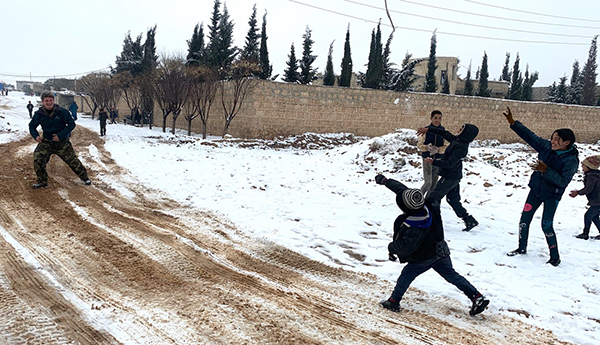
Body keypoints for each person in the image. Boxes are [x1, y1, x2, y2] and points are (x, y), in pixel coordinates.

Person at [374, 174, 490, 316]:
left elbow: (406, 246)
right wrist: (386, 181)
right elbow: (403, 191)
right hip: (441, 250)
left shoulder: (415, 226)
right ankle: (477, 297)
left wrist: (391, 247)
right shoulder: (428, 203)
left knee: (407, 274)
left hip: (424, 257)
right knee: (452, 275)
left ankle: (393, 301)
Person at [503, 107, 579, 267]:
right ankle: (521, 248)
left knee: (546, 225)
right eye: (552, 138)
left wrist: (546, 170)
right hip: (536, 190)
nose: (553, 141)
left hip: (552, 195)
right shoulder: (547, 147)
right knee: (524, 220)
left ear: (567, 143)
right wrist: (513, 123)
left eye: (557, 139)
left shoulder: (571, 161)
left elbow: (563, 181)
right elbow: (530, 137)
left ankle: (554, 257)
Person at [416, 123, 479, 231]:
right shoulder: (457, 140)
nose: (459, 130)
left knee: (433, 198)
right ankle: (469, 220)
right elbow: (444, 133)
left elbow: (450, 163)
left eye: (462, 129)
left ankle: (432, 223)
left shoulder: (461, 147)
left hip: (450, 177)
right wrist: (428, 129)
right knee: (453, 200)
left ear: (466, 133)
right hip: (454, 176)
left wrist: (434, 162)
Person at [28, 91, 91, 189]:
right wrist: (36, 136)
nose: (49, 103)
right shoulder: (39, 114)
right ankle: (42, 181)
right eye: (46, 101)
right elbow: (32, 126)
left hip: (61, 142)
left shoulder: (62, 112)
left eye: (51, 100)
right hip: (46, 142)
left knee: (73, 161)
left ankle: (85, 177)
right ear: (43, 102)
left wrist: (60, 135)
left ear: (54, 101)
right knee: (38, 160)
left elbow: (71, 124)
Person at [569, 155, 600, 240]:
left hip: (597, 201)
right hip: (597, 200)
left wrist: (578, 193)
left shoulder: (592, 176)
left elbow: (589, 189)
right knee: (594, 217)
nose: (582, 167)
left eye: (583, 165)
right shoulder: (595, 174)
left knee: (588, 216)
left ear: (589, 166)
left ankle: (585, 233)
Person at [418, 110, 446, 198]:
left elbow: (446, 146)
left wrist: (438, 150)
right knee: (428, 183)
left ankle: (427, 201)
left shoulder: (443, 132)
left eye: (439, 118)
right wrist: (427, 147)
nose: (437, 120)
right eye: (435, 118)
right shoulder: (425, 131)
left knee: (433, 185)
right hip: (427, 159)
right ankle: (417, 198)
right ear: (431, 118)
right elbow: (419, 145)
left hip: (438, 160)